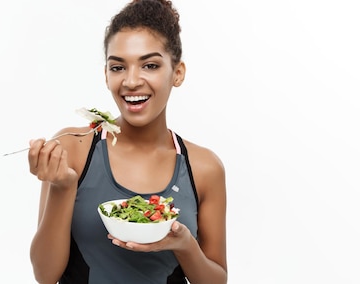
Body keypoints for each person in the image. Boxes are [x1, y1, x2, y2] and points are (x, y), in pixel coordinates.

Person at [26, 0, 228, 283]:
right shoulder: (73, 147)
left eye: (150, 65)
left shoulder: (204, 168)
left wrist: (185, 245)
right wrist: (62, 187)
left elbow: (216, 280)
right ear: (106, 75)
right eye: (118, 67)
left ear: (177, 73)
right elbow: (45, 275)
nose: (131, 81)